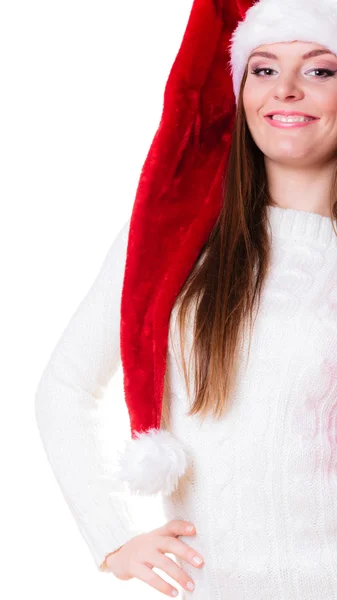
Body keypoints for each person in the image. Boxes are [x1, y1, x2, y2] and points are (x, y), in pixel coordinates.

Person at [35, 0, 337, 598]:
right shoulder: (170, 237)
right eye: (265, 69)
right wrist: (113, 539)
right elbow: (63, 389)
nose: (288, 91)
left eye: (321, 70)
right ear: (240, 88)